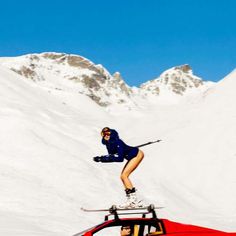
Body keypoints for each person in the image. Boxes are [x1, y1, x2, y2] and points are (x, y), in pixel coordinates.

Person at [93, 127, 144, 208]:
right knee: (122, 176)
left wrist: (102, 158)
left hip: (137, 155)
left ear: (112, 133)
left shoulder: (117, 142)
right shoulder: (109, 144)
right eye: (103, 134)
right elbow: (112, 156)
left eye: (108, 133)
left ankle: (133, 201)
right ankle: (132, 200)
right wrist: (102, 159)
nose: (106, 135)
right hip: (131, 156)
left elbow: (119, 158)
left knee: (124, 176)